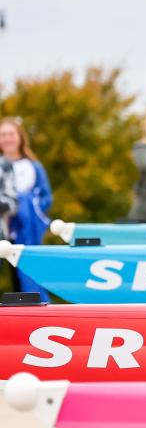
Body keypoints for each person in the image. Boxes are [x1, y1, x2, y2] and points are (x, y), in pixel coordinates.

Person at [0, 117, 53, 299]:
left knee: (26, 278)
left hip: (25, 232)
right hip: (3, 230)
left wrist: (25, 206)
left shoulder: (33, 166)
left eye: (11, 134)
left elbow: (46, 199)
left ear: (20, 137)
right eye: (3, 135)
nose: (7, 139)